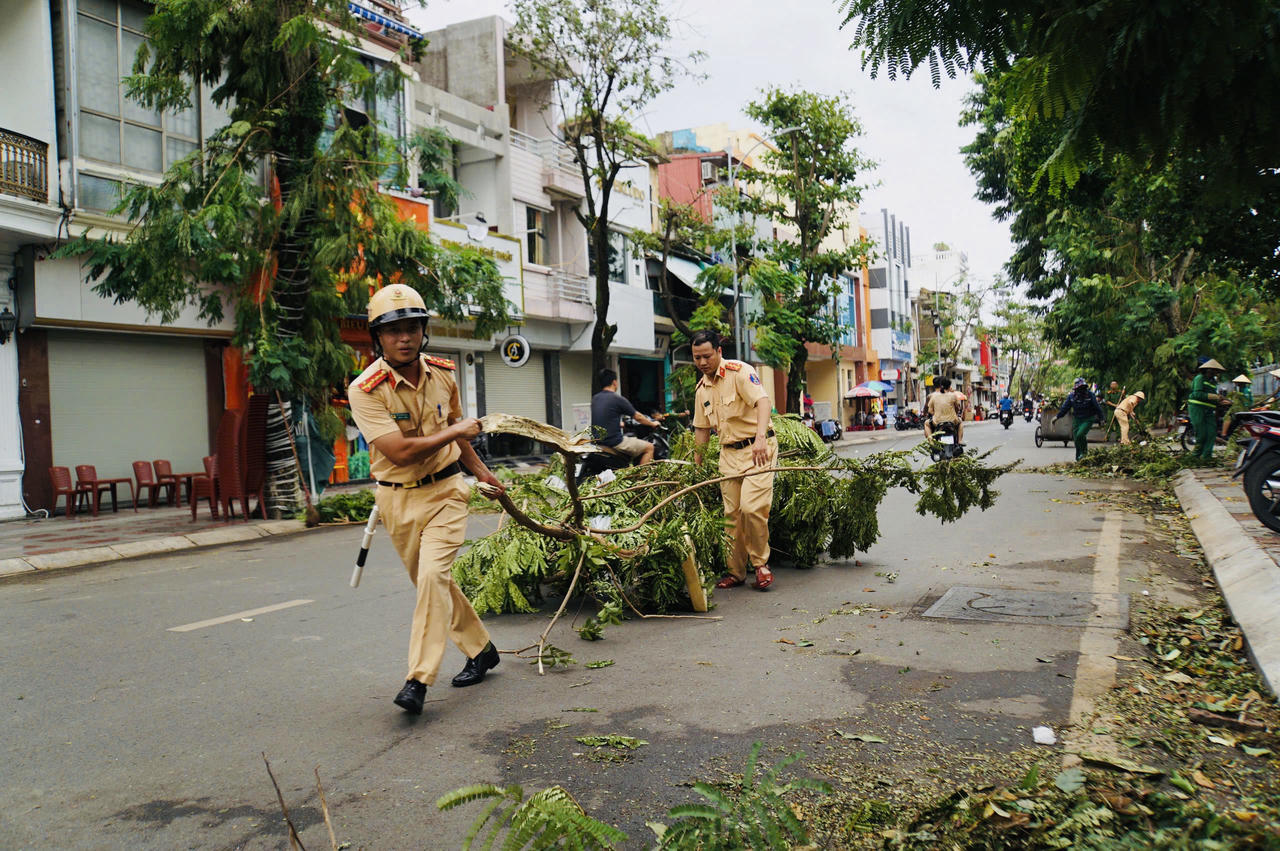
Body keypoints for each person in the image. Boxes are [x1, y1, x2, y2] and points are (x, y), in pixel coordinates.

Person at [347, 285, 507, 716]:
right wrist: (457, 433)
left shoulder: (443, 373)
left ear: (424, 331)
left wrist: (481, 472)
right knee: (433, 585)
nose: (405, 338)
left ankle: (417, 679)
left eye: (412, 328)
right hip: (396, 500)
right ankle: (482, 650)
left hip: (446, 491)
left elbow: (455, 427)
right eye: (393, 330)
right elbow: (399, 451)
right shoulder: (365, 389)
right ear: (377, 338)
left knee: (434, 577)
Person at [690, 330, 777, 591]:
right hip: (728, 454)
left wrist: (760, 438)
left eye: (706, 356)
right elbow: (701, 430)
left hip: (757, 449)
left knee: (751, 508)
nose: (702, 362)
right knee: (731, 515)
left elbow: (763, 402)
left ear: (718, 351)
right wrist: (697, 465)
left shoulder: (739, 372)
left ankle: (761, 564)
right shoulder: (701, 390)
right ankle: (736, 572)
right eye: (696, 358)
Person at [590, 369, 664, 465]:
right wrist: (652, 423)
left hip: (597, 442)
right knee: (649, 447)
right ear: (614, 382)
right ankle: (641, 478)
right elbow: (638, 417)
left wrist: (620, 424)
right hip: (614, 442)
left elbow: (604, 416)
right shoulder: (617, 399)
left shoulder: (595, 399)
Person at [1053, 378, 1107, 460]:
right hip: (1077, 420)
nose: (1081, 390)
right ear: (1076, 388)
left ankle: (1084, 453)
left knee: (1080, 434)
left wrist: (1102, 418)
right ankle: (1079, 459)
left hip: (1088, 419)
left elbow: (1097, 407)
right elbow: (1065, 408)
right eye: (1079, 388)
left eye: (1083, 388)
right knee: (1076, 439)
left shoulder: (1090, 395)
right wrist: (1057, 417)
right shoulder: (1071, 396)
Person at [1188, 358, 1226, 460]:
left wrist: (1220, 401)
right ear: (1209, 369)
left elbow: (1212, 396)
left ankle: (1206, 457)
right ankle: (1195, 456)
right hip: (1197, 408)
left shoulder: (1213, 382)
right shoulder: (1199, 378)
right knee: (1202, 433)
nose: (1216, 373)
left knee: (1211, 432)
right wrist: (1215, 397)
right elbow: (1197, 394)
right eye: (1215, 371)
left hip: (1209, 410)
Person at [924, 377, 963, 443]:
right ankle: (960, 441)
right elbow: (957, 407)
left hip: (937, 421)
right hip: (952, 421)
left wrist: (936, 414)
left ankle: (931, 442)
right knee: (960, 422)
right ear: (949, 386)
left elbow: (929, 410)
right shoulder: (953, 395)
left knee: (926, 423)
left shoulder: (933, 396)